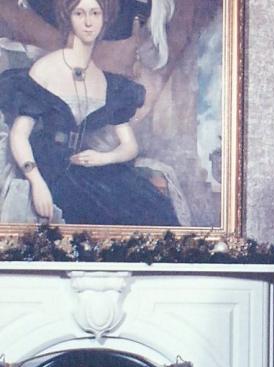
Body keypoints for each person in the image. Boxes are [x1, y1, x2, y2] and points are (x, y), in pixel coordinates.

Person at [0, 0, 179, 225]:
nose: (88, 22)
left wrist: (104, 158)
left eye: (95, 13)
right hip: (49, 168)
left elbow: (130, 146)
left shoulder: (106, 82)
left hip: (85, 168)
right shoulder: (46, 69)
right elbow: (19, 136)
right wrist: (36, 181)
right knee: (94, 209)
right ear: (69, 18)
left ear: (104, 20)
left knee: (152, 208)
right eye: (79, 13)